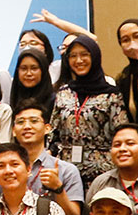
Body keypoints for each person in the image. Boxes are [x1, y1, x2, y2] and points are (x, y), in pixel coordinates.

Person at [0, 103, 84, 215]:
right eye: (21, 122)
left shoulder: (66, 170)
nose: (27, 126)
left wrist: (58, 189)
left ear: (47, 128)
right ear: (14, 131)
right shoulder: (5, 171)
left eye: (34, 121)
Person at [52, 36, 127, 186]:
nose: (79, 60)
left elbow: (121, 133)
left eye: (84, 54)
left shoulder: (111, 94)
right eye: (73, 56)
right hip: (67, 170)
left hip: (103, 172)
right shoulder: (63, 92)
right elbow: (53, 132)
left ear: (95, 57)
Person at [7, 48, 56, 125]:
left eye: (34, 68)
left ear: (43, 71)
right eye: (23, 68)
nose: (29, 73)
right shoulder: (14, 98)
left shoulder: (54, 101)